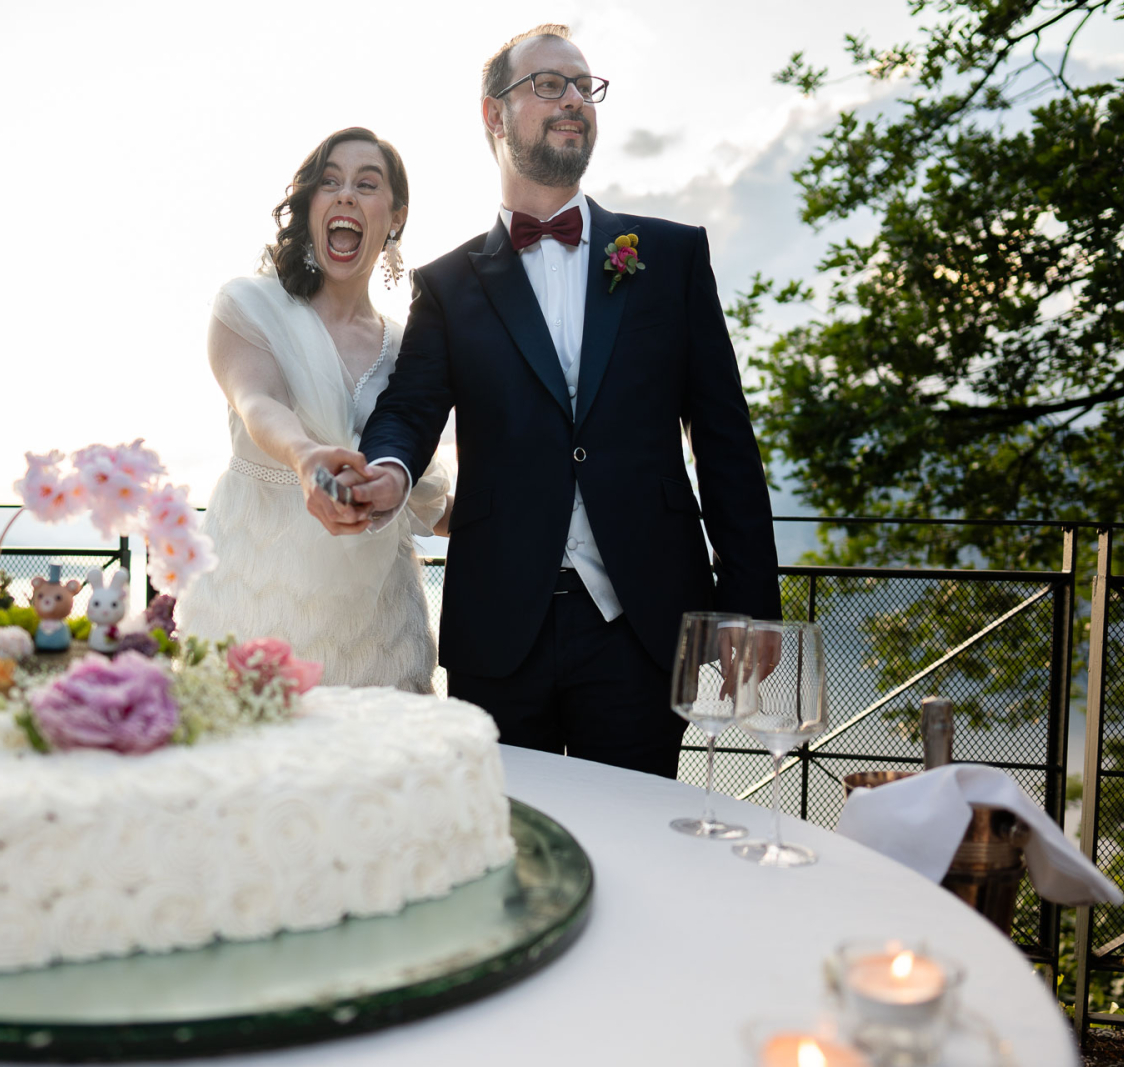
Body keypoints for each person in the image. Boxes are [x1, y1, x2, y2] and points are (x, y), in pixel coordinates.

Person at [322, 25, 781, 775]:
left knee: (640, 853)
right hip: (501, 628)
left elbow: (725, 440)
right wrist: (389, 471)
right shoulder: (448, 283)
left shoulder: (670, 257)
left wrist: (752, 607)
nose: (573, 98)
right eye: (548, 84)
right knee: (509, 857)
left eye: (583, 85)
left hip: (646, 625)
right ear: (493, 115)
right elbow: (410, 408)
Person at [177, 127, 451, 692]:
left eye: (366, 184)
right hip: (258, 607)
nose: (345, 195)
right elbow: (258, 403)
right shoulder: (248, 305)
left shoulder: (410, 348)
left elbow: (426, 495)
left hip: (376, 633)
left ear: (395, 217)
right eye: (331, 182)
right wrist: (305, 457)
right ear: (310, 205)